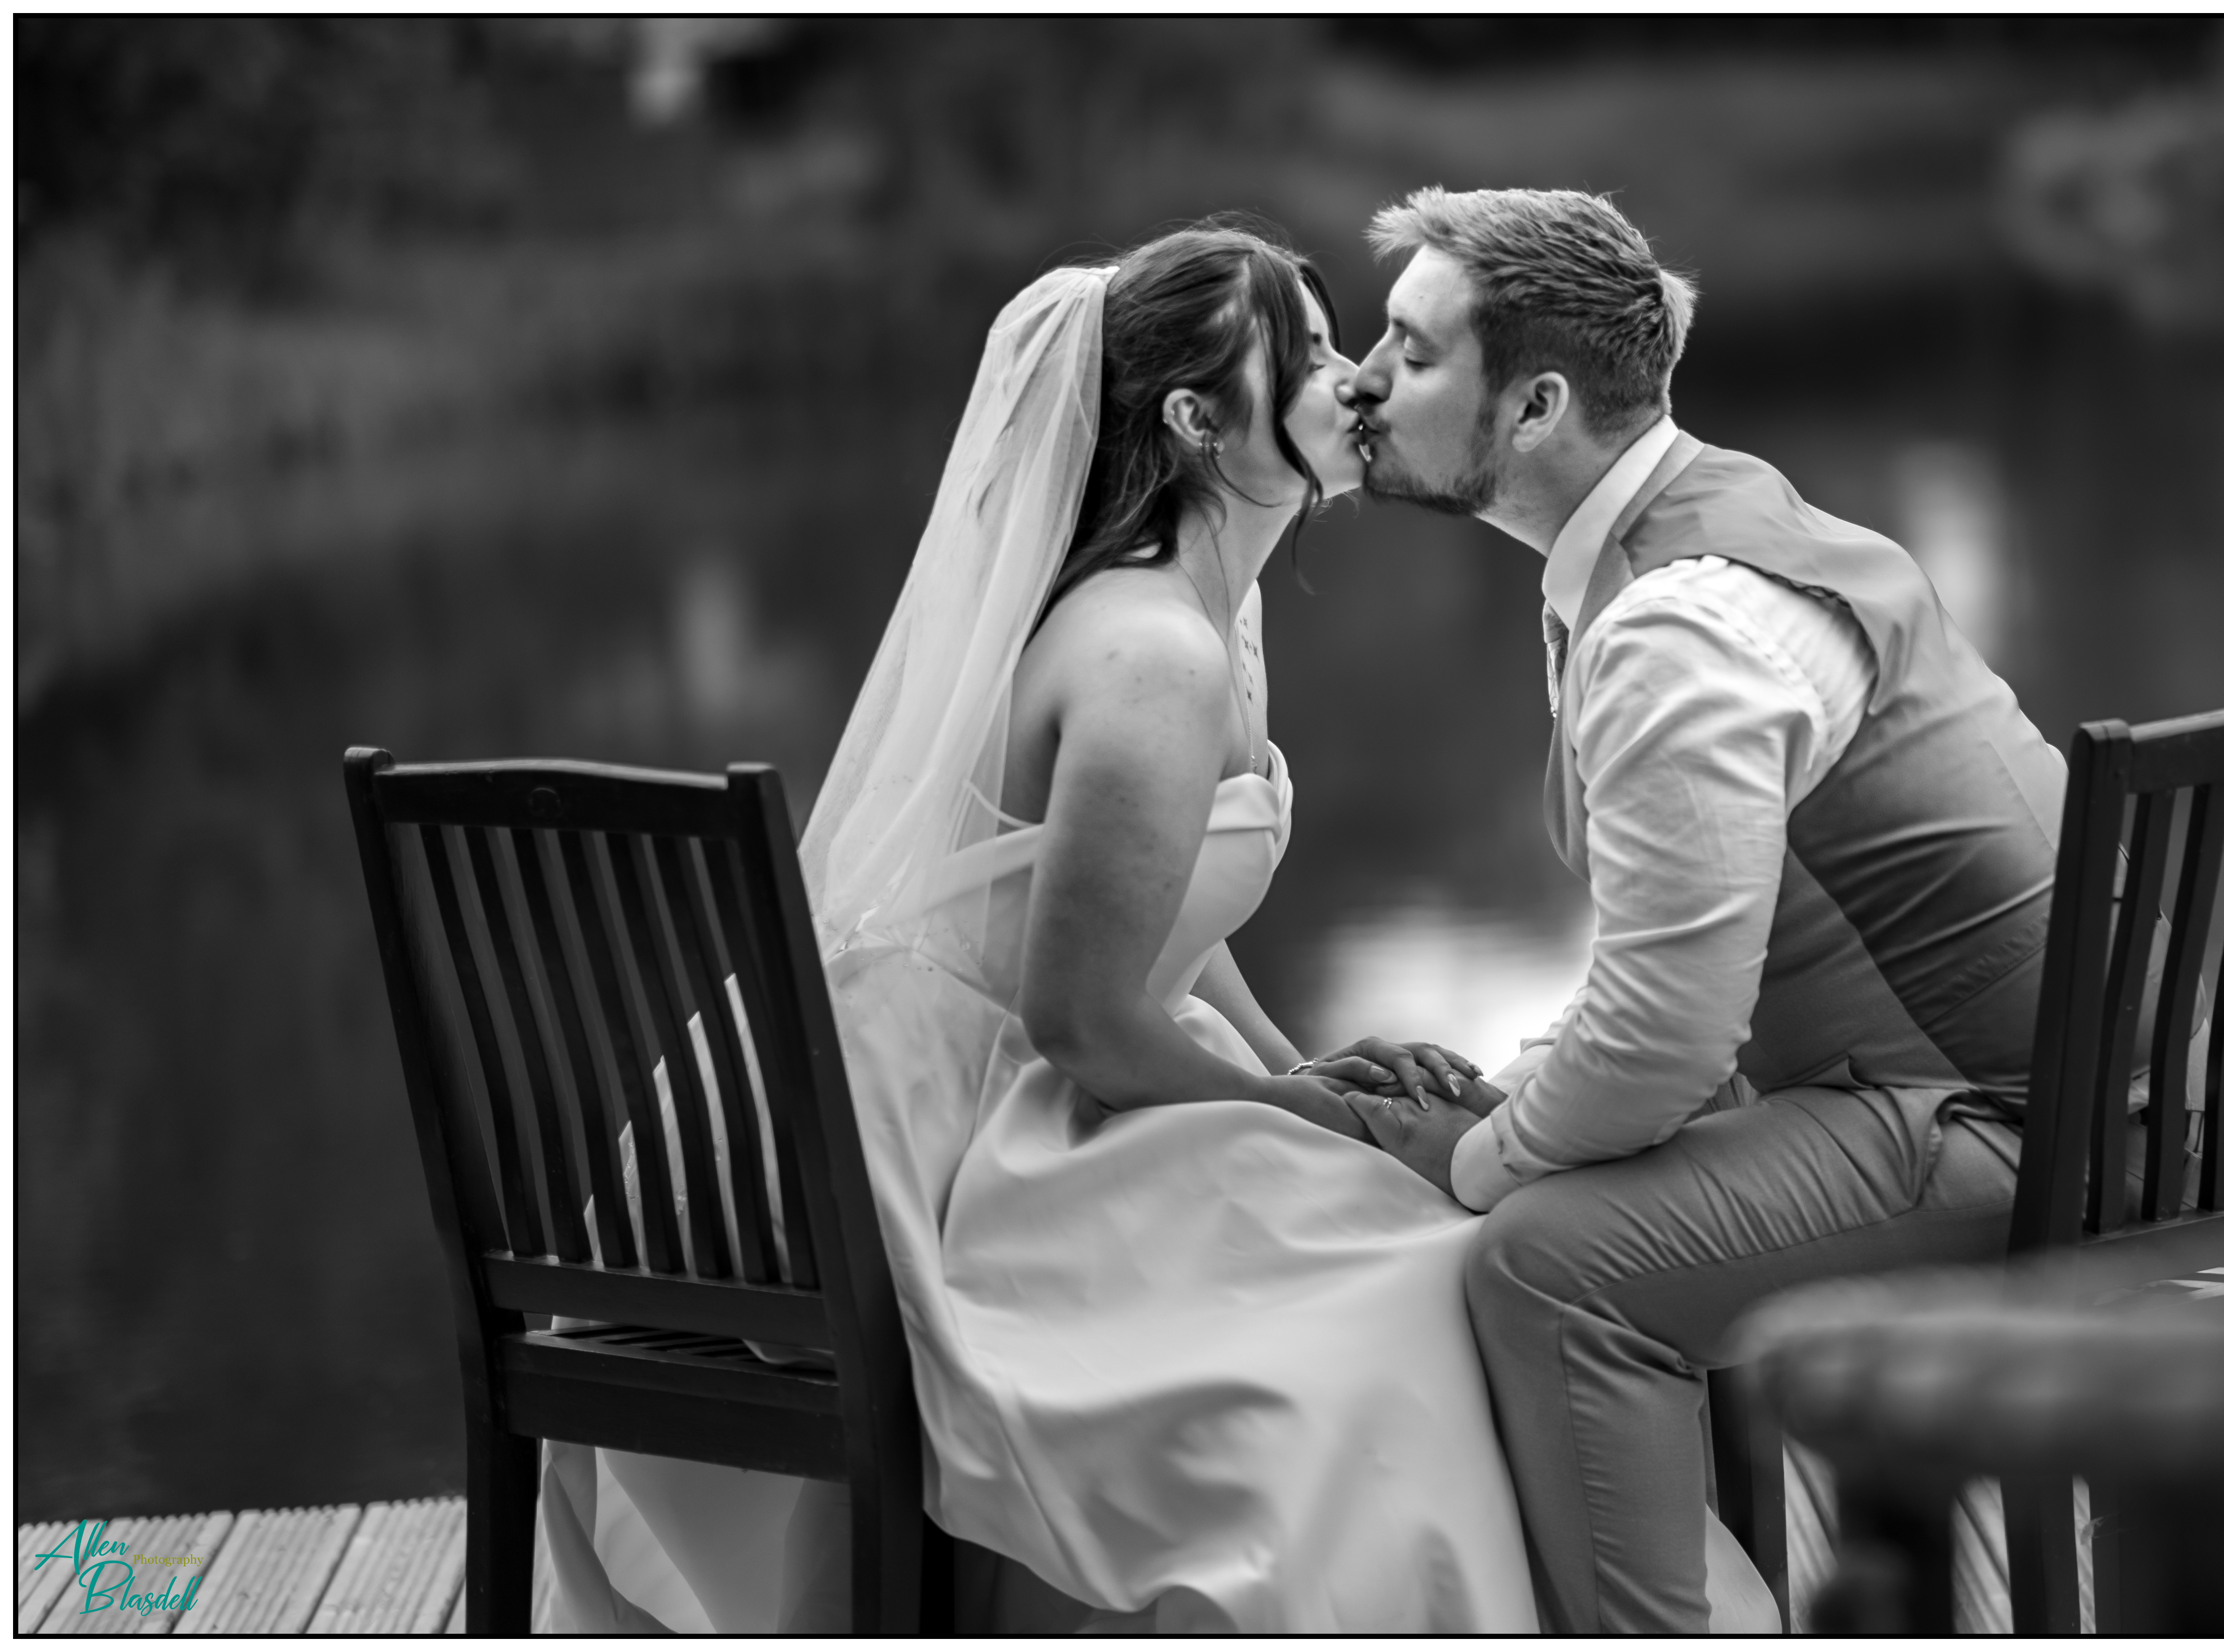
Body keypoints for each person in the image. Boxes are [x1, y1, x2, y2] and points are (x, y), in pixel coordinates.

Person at [533, 221, 1571, 1633]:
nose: (1356, 382)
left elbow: (1148, 911)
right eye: (1311, 354)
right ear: (1198, 423)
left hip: (1019, 1057)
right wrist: (1295, 1111)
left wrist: (1299, 1064)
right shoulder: (1150, 650)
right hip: (905, 1121)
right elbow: (1084, 1019)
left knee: (1394, 1223)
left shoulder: (1217, 611)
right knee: (1394, 1285)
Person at [1339, 187, 2071, 1633]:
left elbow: (1673, 1037)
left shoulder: (1679, 622)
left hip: (2014, 1126)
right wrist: (1529, 1096)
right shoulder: (1714, 516)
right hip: (2059, 1073)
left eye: (1412, 355)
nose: (1359, 377)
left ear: (1536, 403)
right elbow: (1676, 986)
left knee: (1550, 1269)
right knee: (1567, 1158)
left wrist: (1487, 1161)